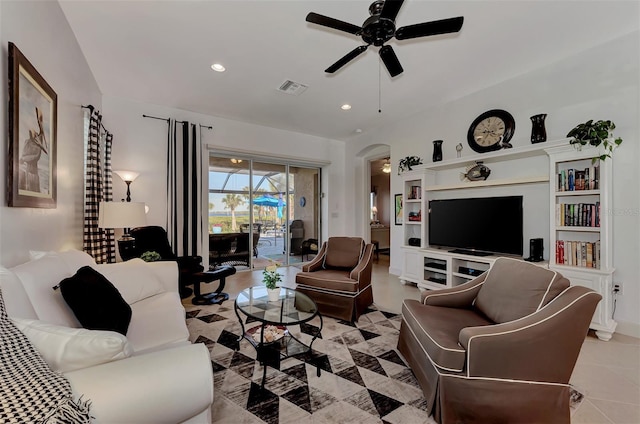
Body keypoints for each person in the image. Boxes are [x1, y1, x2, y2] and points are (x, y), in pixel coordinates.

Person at [18, 107, 47, 192]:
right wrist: (24, 159)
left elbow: (36, 156)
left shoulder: (38, 142)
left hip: (33, 172)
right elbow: (23, 156)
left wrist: (24, 159)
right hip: (29, 171)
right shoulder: (27, 142)